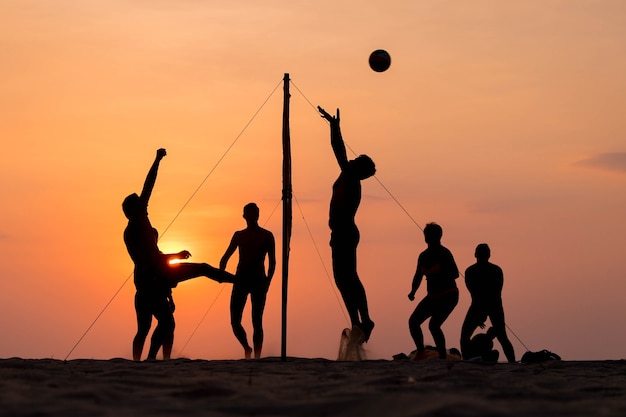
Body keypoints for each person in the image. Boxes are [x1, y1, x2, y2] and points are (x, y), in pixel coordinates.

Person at [123, 148, 235, 361]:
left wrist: (175, 256)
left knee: (157, 325)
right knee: (158, 324)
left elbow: (153, 255)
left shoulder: (139, 225)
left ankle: (154, 360)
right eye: (140, 203)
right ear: (133, 209)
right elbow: (148, 186)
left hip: (155, 275)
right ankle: (149, 361)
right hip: (152, 278)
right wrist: (157, 160)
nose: (145, 204)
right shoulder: (136, 223)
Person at [318, 106, 377, 342]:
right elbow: (341, 153)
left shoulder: (352, 178)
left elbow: (338, 150)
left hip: (346, 233)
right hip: (340, 233)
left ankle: (366, 320)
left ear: (358, 168)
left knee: (349, 277)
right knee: (342, 279)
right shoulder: (348, 176)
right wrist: (334, 127)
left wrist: (335, 127)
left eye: (355, 161)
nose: (350, 160)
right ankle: (356, 323)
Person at [220, 203, 276, 359]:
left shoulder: (267, 236)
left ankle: (257, 356)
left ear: (258, 215)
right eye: (248, 214)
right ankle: (247, 348)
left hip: (259, 281)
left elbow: (273, 263)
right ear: (244, 216)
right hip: (241, 280)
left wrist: (268, 281)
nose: (251, 217)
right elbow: (225, 258)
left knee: (257, 321)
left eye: (254, 213)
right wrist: (221, 273)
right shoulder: (239, 235)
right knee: (234, 321)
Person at [408, 223, 460, 359]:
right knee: (413, 322)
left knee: (434, 325)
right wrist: (413, 291)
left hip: (449, 295)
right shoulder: (423, 256)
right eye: (427, 235)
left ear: (438, 237)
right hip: (432, 297)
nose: (428, 238)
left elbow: (455, 273)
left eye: (431, 236)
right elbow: (418, 275)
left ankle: (442, 356)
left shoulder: (445, 253)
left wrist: (438, 272)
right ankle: (421, 352)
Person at [460, 243, 516, 363]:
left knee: (501, 337)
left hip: (490, 305)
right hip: (483, 305)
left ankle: (512, 361)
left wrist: (483, 314)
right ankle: (468, 360)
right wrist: (482, 314)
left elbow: (494, 292)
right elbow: (475, 294)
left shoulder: (493, 270)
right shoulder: (472, 271)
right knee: (501, 337)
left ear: (476, 254)